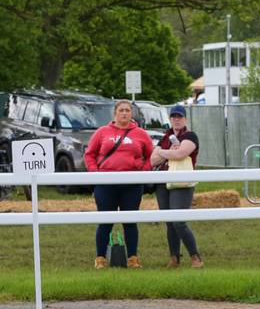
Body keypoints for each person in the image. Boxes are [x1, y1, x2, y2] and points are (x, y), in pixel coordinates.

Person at [84, 99, 154, 269]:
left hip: (132, 185)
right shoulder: (102, 132)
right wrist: (95, 174)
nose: (124, 113)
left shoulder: (141, 134)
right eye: (121, 110)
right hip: (105, 184)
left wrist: (143, 172)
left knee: (130, 222)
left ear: (131, 113)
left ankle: (132, 258)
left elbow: (151, 156)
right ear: (114, 113)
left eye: (127, 110)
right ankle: (100, 258)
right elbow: (89, 154)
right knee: (105, 222)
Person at [150, 104, 203, 269]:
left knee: (179, 221)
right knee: (169, 222)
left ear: (185, 119)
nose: (176, 120)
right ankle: (174, 258)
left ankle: (195, 257)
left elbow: (180, 154)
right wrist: (168, 152)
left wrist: (162, 152)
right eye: (174, 117)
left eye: (179, 117)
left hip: (182, 182)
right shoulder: (166, 136)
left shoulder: (190, 136)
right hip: (162, 182)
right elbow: (152, 160)